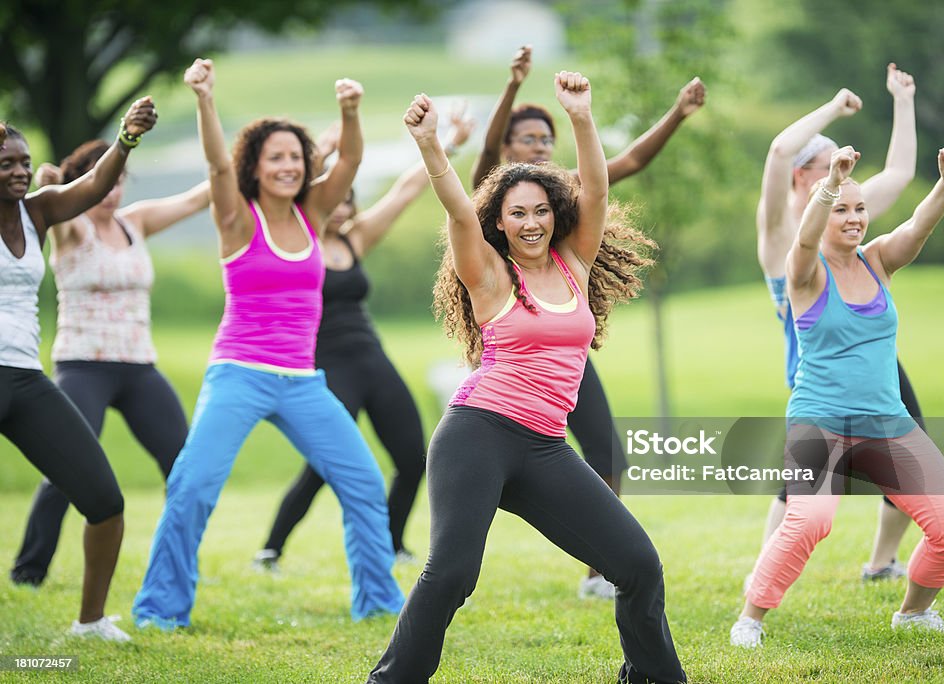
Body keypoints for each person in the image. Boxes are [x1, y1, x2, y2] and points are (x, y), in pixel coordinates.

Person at [367, 73, 685, 684]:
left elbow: (596, 188)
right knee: (453, 574)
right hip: (478, 435)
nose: (533, 222)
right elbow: (458, 207)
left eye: (542, 210)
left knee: (638, 564)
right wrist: (431, 145)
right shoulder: (489, 275)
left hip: (543, 446)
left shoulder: (574, 264)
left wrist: (582, 116)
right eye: (519, 213)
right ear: (502, 223)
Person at [132, 58, 404, 629]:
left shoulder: (313, 215)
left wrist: (350, 113)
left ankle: (379, 601)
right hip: (239, 372)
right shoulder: (236, 218)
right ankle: (160, 609)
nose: (288, 165)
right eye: (275, 157)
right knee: (192, 488)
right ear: (254, 166)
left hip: (303, 380)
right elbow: (213, 163)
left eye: (295, 157)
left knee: (361, 481)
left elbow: (351, 159)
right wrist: (206, 99)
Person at [472, 44, 706, 600]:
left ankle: (602, 569)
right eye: (529, 139)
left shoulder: (563, 197)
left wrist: (677, 112)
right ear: (508, 144)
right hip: (510, 359)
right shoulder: (493, 189)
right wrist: (512, 86)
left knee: (606, 453)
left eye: (546, 140)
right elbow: (484, 148)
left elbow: (623, 167)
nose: (541, 147)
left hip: (564, 353)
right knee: (496, 472)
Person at [730, 145, 944, 647]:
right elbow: (800, 242)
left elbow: (917, 228)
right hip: (819, 420)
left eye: (859, 208)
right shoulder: (806, 272)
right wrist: (830, 186)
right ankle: (750, 618)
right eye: (842, 209)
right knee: (809, 521)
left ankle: (912, 613)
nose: (854, 218)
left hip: (887, 421)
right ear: (822, 212)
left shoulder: (878, 261)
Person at [254, 106, 475, 571]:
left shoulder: (356, 240)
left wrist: (447, 143)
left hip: (373, 360)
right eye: (333, 201)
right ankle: (270, 549)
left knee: (414, 458)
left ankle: (393, 543)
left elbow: (404, 191)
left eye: (348, 201)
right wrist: (324, 150)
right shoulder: (299, 242)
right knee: (322, 465)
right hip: (326, 366)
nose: (342, 209)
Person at [10, 143, 208, 587]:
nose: (112, 192)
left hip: (139, 367)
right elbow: (51, 202)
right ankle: (30, 568)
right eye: (104, 182)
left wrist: (235, 162)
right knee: (66, 467)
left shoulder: (135, 222)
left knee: (185, 463)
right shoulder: (71, 227)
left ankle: (178, 564)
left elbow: (198, 197)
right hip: (84, 366)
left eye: (119, 182)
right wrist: (50, 185)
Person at [752, 65, 919, 583]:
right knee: (805, 485)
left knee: (913, 453)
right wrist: (835, 106)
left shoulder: (850, 211)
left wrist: (903, 100)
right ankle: (763, 577)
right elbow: (779, 151)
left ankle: (881, 563)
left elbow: (901, 174)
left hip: (872, 360)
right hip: (816, 368)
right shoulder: (781, 231)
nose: (844, 174)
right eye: (830, 166)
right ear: (804, 176)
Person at [1, 98, 157, 641]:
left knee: (104, 502)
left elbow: (90, 188)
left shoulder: (37, 211)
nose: (20, 171)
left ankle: (90, 622)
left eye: (24, 162)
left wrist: (127, 137)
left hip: (23, 377)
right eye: (7, 164)